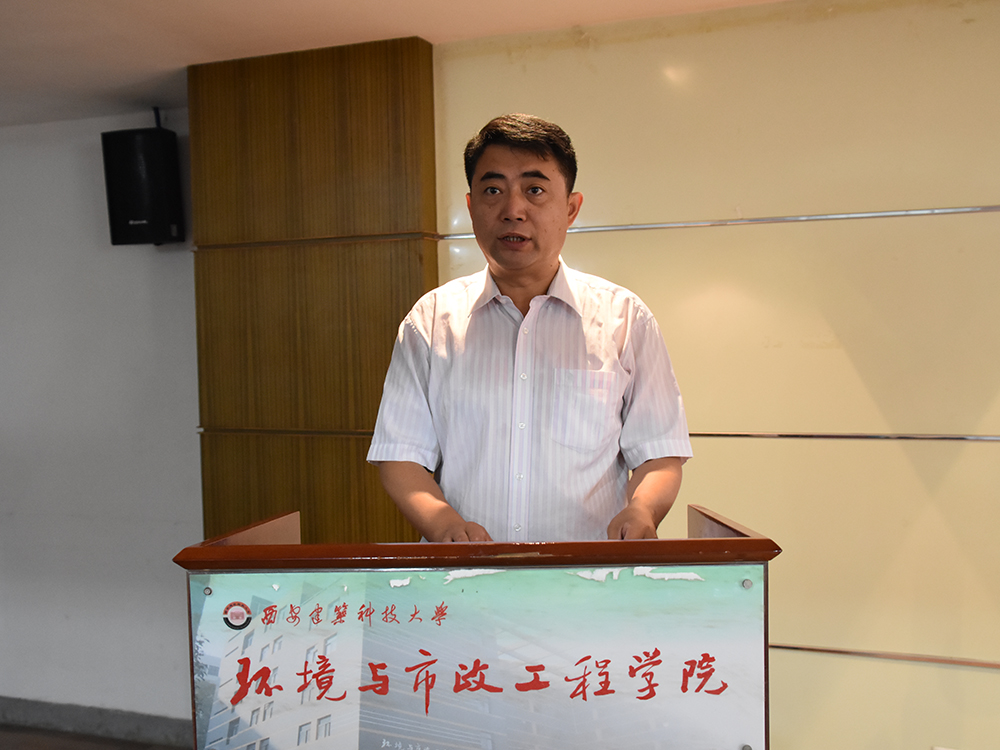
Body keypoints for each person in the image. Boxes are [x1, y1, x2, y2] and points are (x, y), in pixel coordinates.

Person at [367, 114, 692, 543]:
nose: (513, 210)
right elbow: (400, 457)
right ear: (471, 206)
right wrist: (443, 524)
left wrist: (643, 509)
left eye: (534, 190)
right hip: (465, 574)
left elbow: (659, 454)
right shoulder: (430, 321)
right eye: (493, 190)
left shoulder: (625, 319)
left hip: (589, 574)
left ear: (571, 208)